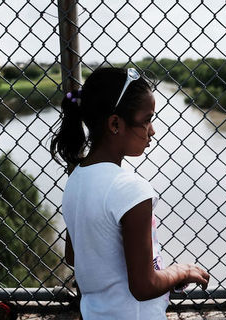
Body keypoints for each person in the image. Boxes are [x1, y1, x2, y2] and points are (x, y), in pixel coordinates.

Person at [51, 67, 210, 319]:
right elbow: (144, 286)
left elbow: (74, 255)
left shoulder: (77, 179)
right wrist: (180, 271)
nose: (153, 130)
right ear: (115, 123)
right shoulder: (131, 189)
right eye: (146, 119)